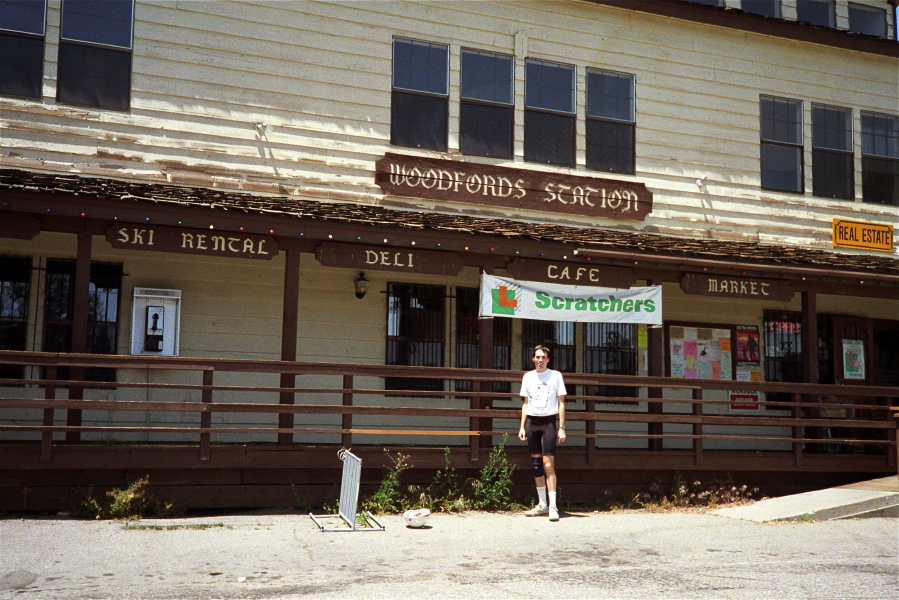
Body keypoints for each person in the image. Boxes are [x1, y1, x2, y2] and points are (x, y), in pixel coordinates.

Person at [518, 344, 567, 521]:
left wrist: (561, 427)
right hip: (532, 422)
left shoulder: (555, 376)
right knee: (537, 465)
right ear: (533, 359)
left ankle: (553, 506)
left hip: (548, 423)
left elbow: (561, 402)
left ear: (548, 359)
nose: (540, 360)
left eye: (543, 357)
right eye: (537, 357)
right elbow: (525, 402)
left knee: (548, 465)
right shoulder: (528, 377)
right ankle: (542, 504)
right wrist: (522, 426)